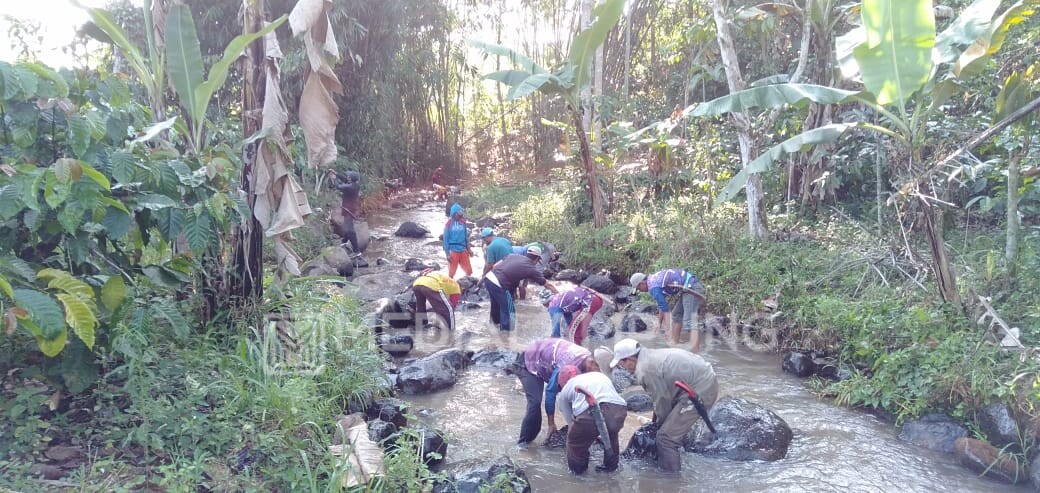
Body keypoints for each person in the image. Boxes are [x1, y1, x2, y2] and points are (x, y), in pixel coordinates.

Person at [610, 338, 718, 473]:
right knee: (668, 429)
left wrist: (659, 428)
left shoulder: (645, 370)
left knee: (665, 439)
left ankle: (670, 480)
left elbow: (662, 403)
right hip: (699, 379)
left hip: (701, 389)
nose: (623, 367)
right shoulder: (648, 355)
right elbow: (659, 398)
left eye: (621, 363)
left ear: (630, 360)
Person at [516, 338, 599, 449]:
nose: (599, 374)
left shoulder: (589, 359)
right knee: (535, 403)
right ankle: (523, 445)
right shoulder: (566, 364)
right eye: (598, 370)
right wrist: (551, 424)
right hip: (530, 360)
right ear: (593, 363)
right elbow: (550, 392)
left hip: (548, 359)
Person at [557, 365, 627, 474]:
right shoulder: (598, 375)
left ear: (562, 382)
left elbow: (571, 423)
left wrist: (586, 436)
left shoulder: (565, 391)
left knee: (574, 443)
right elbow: (607, 401)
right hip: (618, 410)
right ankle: (611, 470)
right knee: (612, 436)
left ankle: (578, 476)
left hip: (590, 411)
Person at [630, 269, 707, 351]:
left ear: (641, 283)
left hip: (692, 289)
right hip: (688, 289)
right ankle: (674, 348)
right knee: (676, 315)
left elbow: (665, 309)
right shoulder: (653, 280)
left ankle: (696, 353)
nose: (639, 291)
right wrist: (659, 323)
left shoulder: (653, 287)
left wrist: (667, 330)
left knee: (689, 322)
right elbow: (661, 305)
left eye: (638, 288)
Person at [485, 246, 558, 331]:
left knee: (496, 307)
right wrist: (560, 295)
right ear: (537, 259)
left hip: (489, 279)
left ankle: (492, 329)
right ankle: (506, 338)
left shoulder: (513, 256)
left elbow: (495, 266)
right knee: (509, 312)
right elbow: (548, 285)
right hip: (500, 284)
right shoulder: (532, 269)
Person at [328, 169, 362, 254]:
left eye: (349, 177)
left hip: (348, 209)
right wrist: (336, 173)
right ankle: (344, 242)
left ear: (351, 179)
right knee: (348, 228)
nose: (347, 177)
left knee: (349, 230)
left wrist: (333, 178)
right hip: (350, 208)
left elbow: (338, 186)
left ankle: (356, 250)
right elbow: (344, 179)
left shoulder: (351, 187)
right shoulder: (355, 185)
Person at [442, 203, 473, 278]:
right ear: (453, 214)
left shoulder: (463, 222)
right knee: (451, 273)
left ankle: (467, 284)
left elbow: (466, 237)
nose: (460, 216)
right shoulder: (448, 224)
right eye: (458, 215)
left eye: (461, 214)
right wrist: (447, 254)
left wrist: (469, 249)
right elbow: (445, 239)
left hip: (463, 249)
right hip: (453, 250)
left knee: (469, 271)